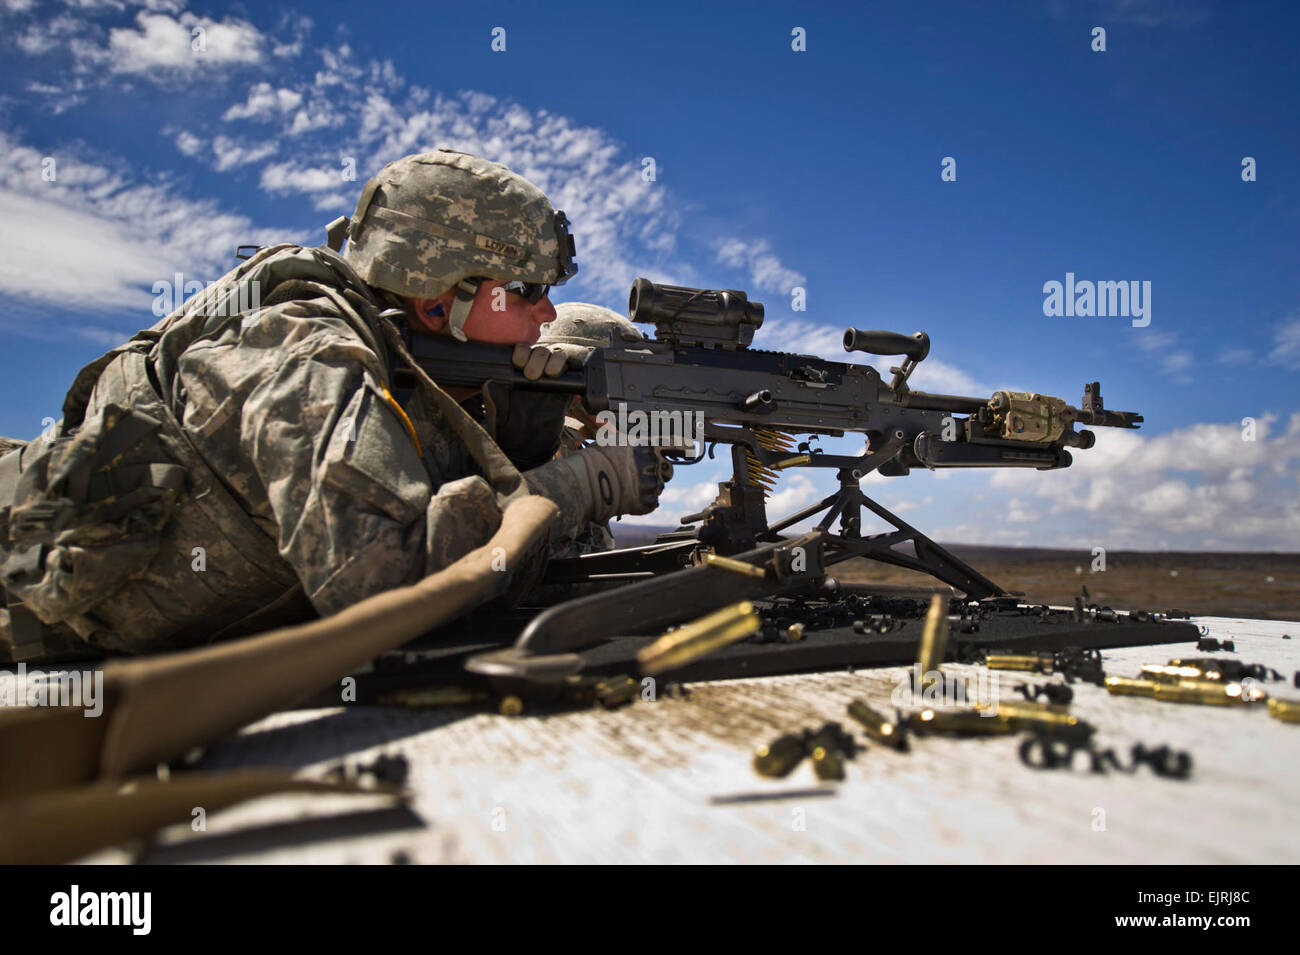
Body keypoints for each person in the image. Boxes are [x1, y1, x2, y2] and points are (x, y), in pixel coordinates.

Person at [0, 149, 671, 663]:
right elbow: (379, 588)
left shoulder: (401, 367)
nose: (548, 312)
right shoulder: (307, 354)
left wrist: (519, 438)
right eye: (525, 288)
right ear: (440, 297)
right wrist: (580, 485)